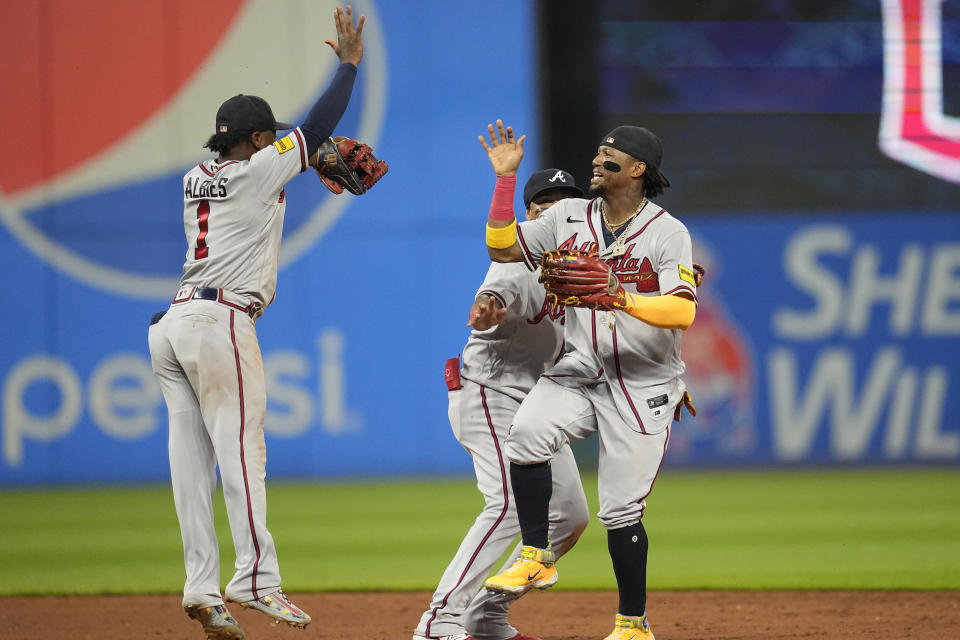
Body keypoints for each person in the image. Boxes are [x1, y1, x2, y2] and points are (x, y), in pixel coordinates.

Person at [147, 6, 365, 640]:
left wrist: (290, 140)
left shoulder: (199, 173)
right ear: (254, 142)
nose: (274, 144)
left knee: (189, 464)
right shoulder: (259, 168)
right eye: (266, 137)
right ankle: (257, 580)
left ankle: (201, 588)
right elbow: (319, 122)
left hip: (173, 325)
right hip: (220, 321)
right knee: (243, 450)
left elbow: (278, 138)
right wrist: (348, 68)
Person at [478, 121, 699, 640]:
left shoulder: (668, 232)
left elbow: (682, 312)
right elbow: (501, 247)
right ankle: (536, 555)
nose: (597, 162)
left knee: (620, 511)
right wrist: (505, 180)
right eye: (597, 154)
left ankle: (632, 624)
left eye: (610, 156)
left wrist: (622, 297)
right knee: (527, 433)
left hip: (644, 382)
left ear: (639, 169)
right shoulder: (567, 216)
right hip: (583, 367)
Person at [413, 167, 590, 640]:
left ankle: (486, 616)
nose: (554, 209)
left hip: (536, 405)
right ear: (529, 215)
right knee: (510, 502)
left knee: (570, 516)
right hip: (489, 394)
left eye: (564, 202)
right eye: (542, 204)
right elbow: (496, 289)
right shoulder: (518, 261)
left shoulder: (584, 270)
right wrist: (488, 305)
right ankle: (439, 622)